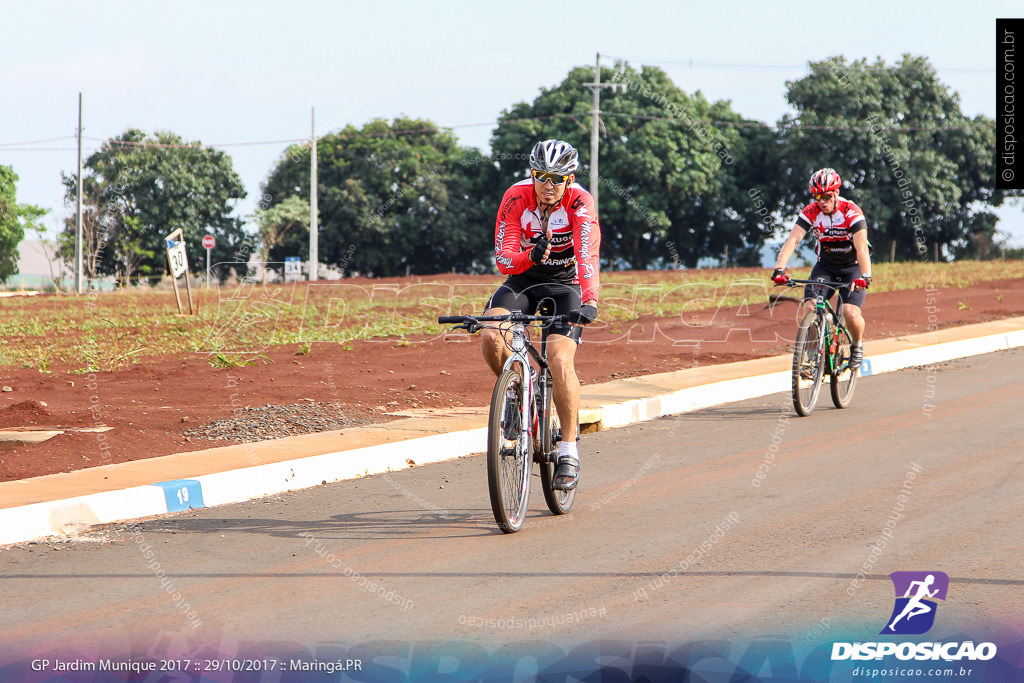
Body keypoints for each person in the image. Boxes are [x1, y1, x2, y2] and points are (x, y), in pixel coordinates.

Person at [480, 139, 601, 491]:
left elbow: (587, 255)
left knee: (560, 360)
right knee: (490, 333)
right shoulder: (516, 196)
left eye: (556, 178)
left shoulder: (580, 202)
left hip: (567, 286)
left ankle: (568, 449)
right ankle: (517, 394)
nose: (547, 185)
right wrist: (531, 256)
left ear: (570, 178)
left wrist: (589, 300)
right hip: (523, 279)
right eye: (540, 176)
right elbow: (504, 259)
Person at [772, 167, 873, 369]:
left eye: (826, 196)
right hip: (825, 267)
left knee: (850, 312)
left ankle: (857, 346)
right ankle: (811, 358)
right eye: (817, 196)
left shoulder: (852, 212)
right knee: (810, 306)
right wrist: (779, 268)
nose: (821, 201)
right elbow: (794, 239)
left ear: (836, 193)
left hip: (851, 267)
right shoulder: (811, 211)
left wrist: (865, 276)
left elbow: (861, 247)